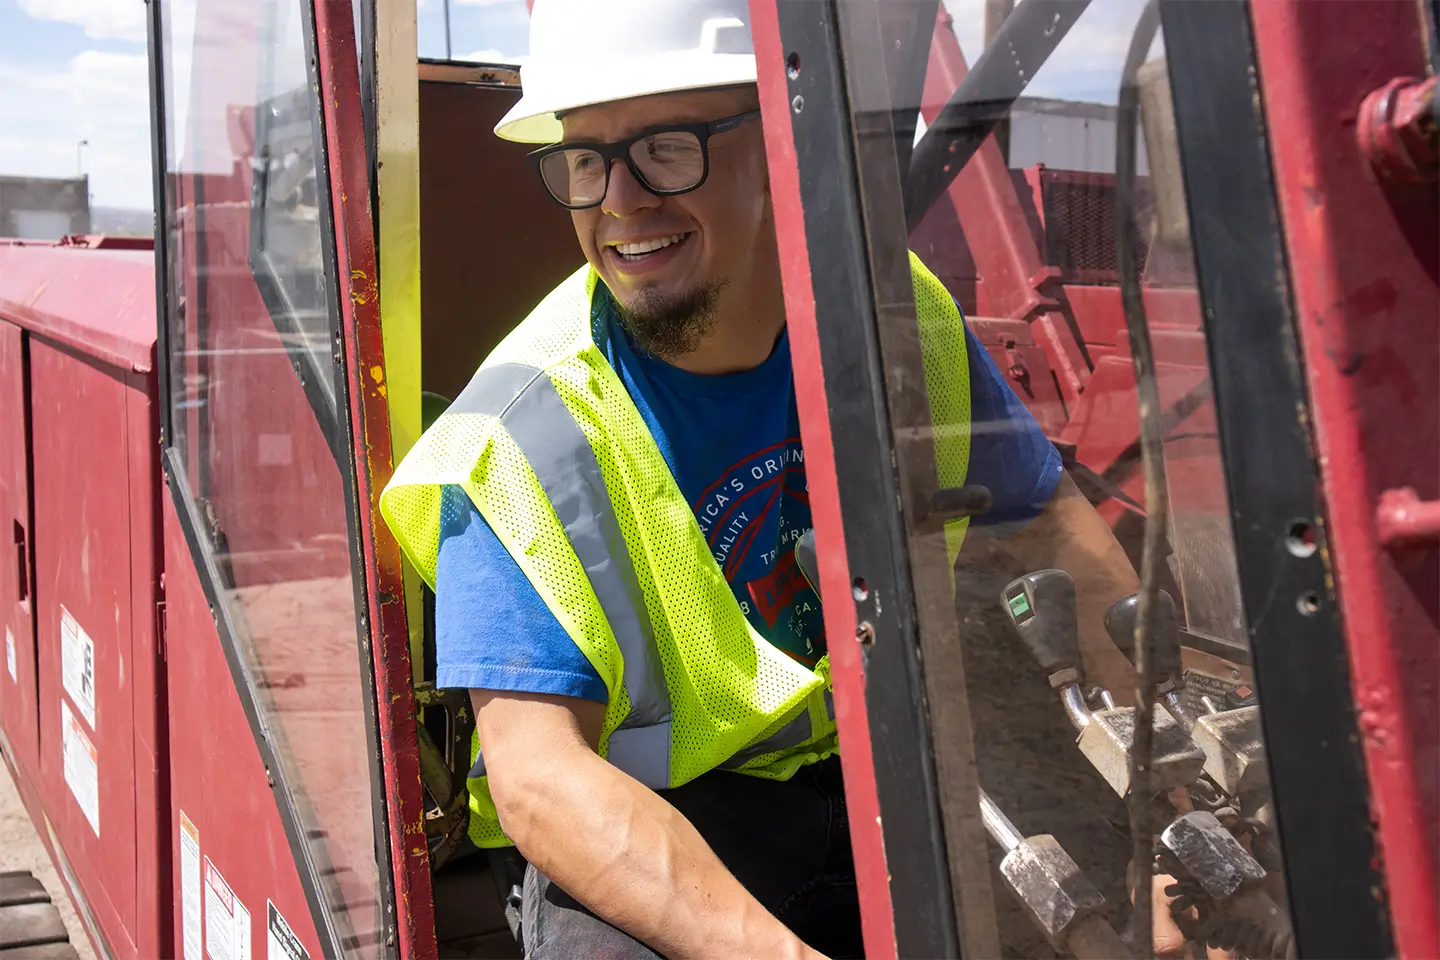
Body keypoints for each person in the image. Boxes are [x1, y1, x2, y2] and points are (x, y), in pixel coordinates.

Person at [381, 1, 1140, 956]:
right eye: (583, 160)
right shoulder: (521, 437)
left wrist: (1165, 813)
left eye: (665, 147)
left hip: (889, 755)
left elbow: (1057, 539)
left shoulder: (891, 319)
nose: (617, 202)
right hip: (667, 821)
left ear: (782, 145)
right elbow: (542, 781)